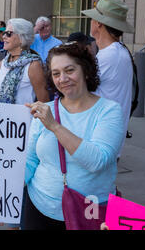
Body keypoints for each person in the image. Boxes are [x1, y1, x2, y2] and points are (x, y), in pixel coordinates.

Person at [22, 42, 124, 229]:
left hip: (89, 211)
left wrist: (54, 126)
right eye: (56, 73)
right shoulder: (47, 110)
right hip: (38, 207)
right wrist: (1, 198)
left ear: (85, 71)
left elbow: (97, 161)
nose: (63, 79)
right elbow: (30, 161)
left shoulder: (109, 111)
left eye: (69, 70)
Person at [81, 0, 135, 158]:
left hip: (99, 140)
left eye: (92, 18)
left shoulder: (109, 56)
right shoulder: (119, 51)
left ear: (98, 23)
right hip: (105, 138)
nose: (91, 22)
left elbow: (80, 90)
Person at [0, 18, 49, 105]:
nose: (4, 36)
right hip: (0, 117)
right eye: (4, 33)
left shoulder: (33, 65)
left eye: (8, 34)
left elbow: (44, 102)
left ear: (21, 38)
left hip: (24, 117)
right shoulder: (2, 63)